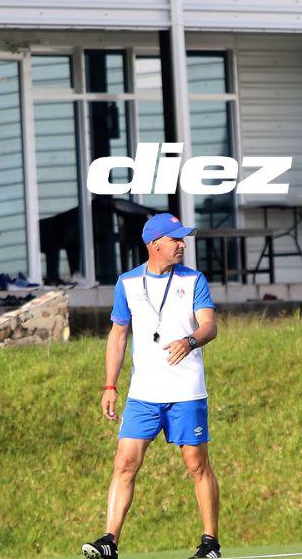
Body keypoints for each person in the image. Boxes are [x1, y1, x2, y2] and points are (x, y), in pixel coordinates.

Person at [82, 213, 221, 559]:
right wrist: (110, 385)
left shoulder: (193, 280)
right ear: (155, 244)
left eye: (182, 238)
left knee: (196, 464)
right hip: (143, 394)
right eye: (175, 239)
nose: (182, 245)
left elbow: (210, 325)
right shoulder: (127, 283)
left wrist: (189, 341)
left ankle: (210, 544)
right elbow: (117, 334)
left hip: (186, 392)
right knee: (124, 462)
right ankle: (109, 541)